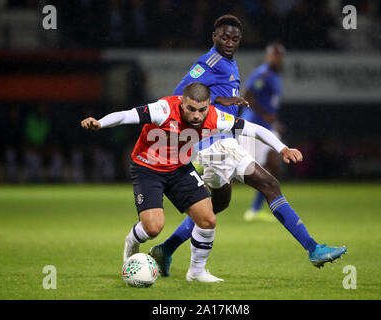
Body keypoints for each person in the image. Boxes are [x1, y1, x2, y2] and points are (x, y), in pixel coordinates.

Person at [149, 15, 347, 277]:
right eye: (224, 37)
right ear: (214, 36)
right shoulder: (208, 63)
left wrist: (223, 100)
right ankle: (313, 248)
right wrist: (222, 100)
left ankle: (166, 249)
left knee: (216, 205)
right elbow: (178, 96)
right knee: (270, 184)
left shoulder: (228, 63)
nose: (229, 42)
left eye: (234, 38)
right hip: (214, 143)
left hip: (223, 141)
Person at [81, 82, 305, 282]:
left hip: (179, 169)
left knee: (208, 219)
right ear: (182, 103)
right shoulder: (164, 109)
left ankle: (196, 272)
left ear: (208, 105)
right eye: (191, 109)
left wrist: (283, 148)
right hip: (148, 169)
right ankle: (132, 242)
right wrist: (99, 123)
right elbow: (126, 115)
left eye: (202, 109)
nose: (197, 115)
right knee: (153, 227)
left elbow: (253, 129)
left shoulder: (215, 116)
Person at [240, 42, 286, 221]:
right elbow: (247, 95)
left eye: (279, 56)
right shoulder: (263, 73)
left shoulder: (274, 76)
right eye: (274, 55)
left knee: (274, 165)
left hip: (267, 128)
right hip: (254, 127)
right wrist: (265, 115)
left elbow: (269, 105)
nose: (277, 59)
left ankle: (255, 209)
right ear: (268, 56)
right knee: (237, 171)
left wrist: (274, 122)